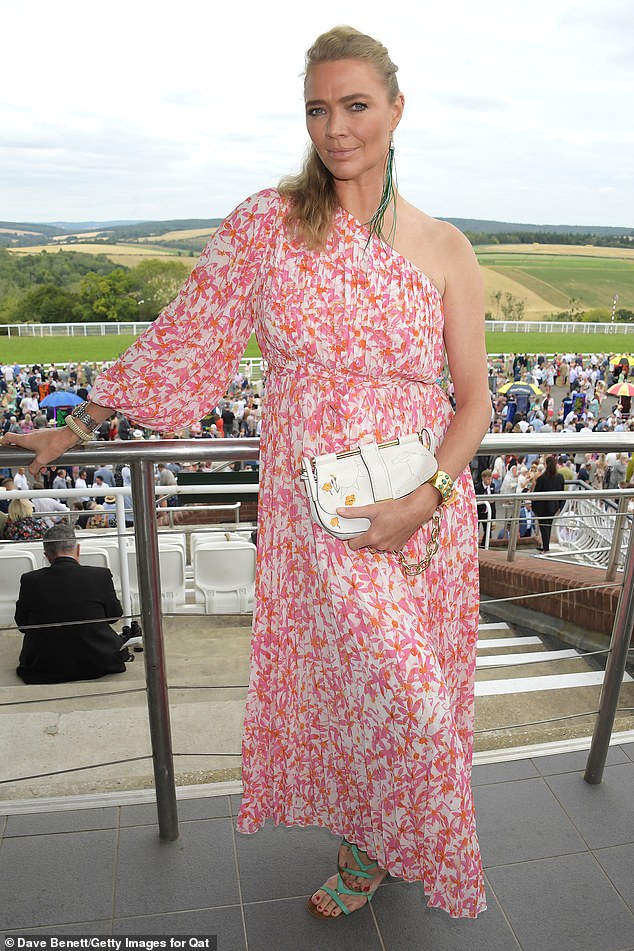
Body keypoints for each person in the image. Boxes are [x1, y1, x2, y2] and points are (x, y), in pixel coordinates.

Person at [0, 26, 490, 920]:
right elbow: (187, 337)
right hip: (323, 517)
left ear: (396, 110)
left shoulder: (447, 248)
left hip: (423, 517)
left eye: (355, 105)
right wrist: (81, 424)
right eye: (317, 108)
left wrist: (424, 503)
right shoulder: (271, 224)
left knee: (416, 701)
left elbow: (475, 405)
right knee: (385, 696)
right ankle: (381, 834)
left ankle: (378, 840)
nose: (335, 127)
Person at [14, 523, 129, 684]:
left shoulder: (30, 580)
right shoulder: (100, 575)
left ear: (47, 556)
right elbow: (114, 616)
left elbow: (22, 625)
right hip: (99, 661)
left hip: (43, 665)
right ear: (78, 550)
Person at [533, 455, 565, 553]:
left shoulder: (542, 478)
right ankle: (545, 546)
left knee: (543, 527)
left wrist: (534, 507)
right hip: (553, 506)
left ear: (546, 464)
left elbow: (536, 493)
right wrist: (560, 506)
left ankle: (545, 547)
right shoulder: (559, 477)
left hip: (542, 506)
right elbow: (561, 492)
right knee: (548, 526)